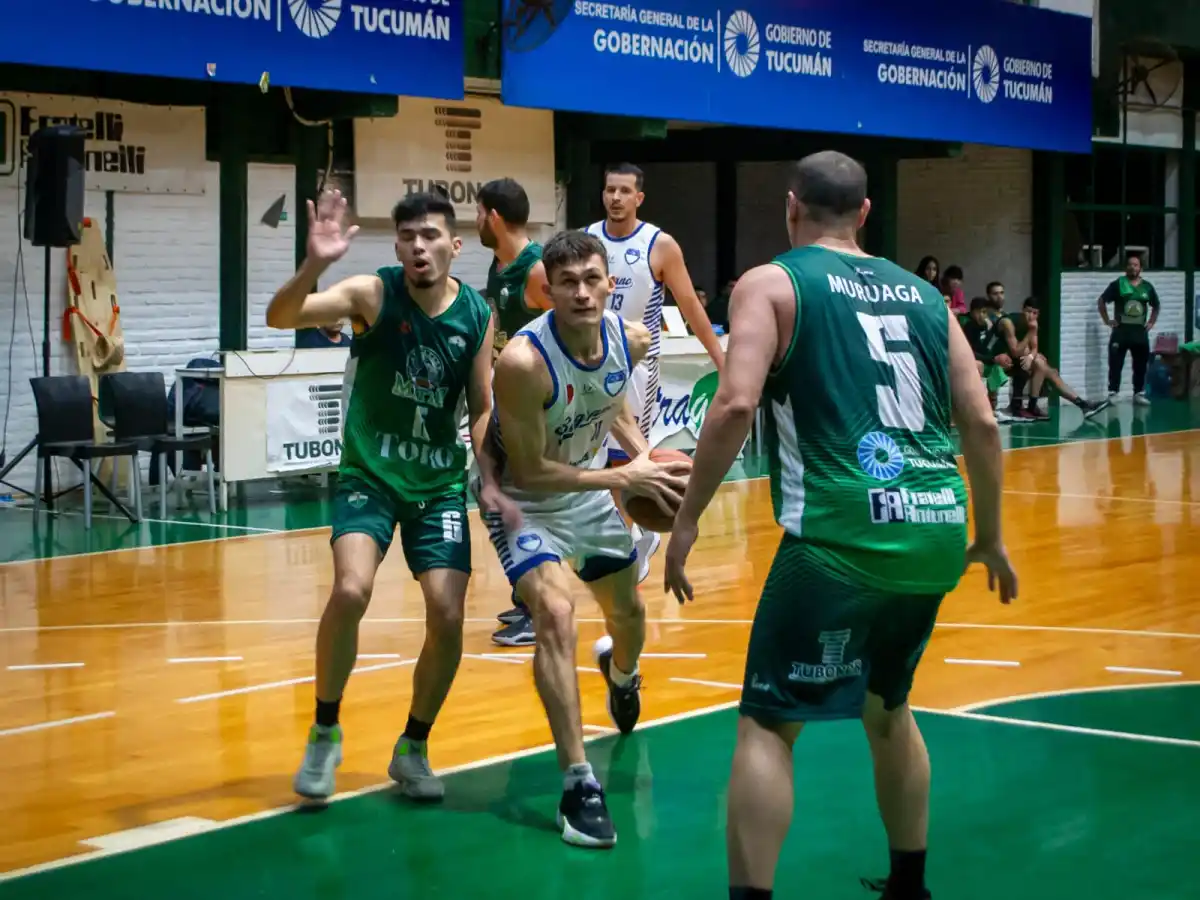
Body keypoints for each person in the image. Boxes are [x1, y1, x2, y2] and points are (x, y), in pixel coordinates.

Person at [662, 151, 1019, 900]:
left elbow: (733, 404)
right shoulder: (925, 294)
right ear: (864, 215)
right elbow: (982, 421)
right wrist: (987, 533)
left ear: (791, 207)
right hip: (934, 528)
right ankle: (909, 886)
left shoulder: (771, 281)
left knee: (766, 724)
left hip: (837, 536)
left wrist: (689, 516)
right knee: (888, 710)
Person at [266, 189, 501, 803]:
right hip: (369, 474)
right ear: (396, 245)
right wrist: (315, 263)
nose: (418, 247)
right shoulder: (373, 293)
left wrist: (493, 477)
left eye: (429, 236)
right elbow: (279, 316)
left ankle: (413, 747)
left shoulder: (476, 314)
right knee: (351, 589)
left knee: (448, 617)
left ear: (454, 244)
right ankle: (324, 730)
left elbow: (481, 406)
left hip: (439, 486)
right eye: (407, 238)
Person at [481, 229, 691, 848]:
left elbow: (608, 405)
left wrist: (643, 454)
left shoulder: (631, 338)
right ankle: (579, 783)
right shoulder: (522, 363)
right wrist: (624, 474)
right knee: (554, 610)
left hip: (589, 488)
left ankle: (621, 675)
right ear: (547, 289)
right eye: (566, 282)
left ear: (608, 284)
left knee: (628, 615)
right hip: (522, 501)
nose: (580, 292)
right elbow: (527, 470)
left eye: (591, 279)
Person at [584, 162, 724, 582]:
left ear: (639, 197)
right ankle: (630, 537)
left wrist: (721, 359)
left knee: (625, 458)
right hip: (589, 363)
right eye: (610, 189)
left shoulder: (659, 245)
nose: (616, 198)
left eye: (625, 191)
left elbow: (691, 307)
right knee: (595, 460)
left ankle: (625, 545)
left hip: (637, 370)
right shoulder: (587, 240)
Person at [476, 176, 552, 648]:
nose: (476, 221)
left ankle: (538, 608)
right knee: (500, 503)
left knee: (524, 508)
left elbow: (570, 330)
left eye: (479, 213)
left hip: (538, 410)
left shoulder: (535, 270)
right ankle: (526, 597)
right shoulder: (498, 265)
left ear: (494, 217)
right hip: (508, 406)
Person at [993, 297, 1109, 420]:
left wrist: (1031, 356)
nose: (1031, 316)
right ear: (1022, 310)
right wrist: (1031, 333)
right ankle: (1033, 407)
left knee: (1048, 369)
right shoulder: (1008, 323)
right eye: (1028, 311)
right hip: (998, 361)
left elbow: (1034, 348)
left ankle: (1083, 405)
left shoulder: (1033, 323)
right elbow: (1015, 351)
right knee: (1040, 363)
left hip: (1016, 361)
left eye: (1035, 313)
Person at [1098, 251, 1160, 405]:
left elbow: (1156, 306)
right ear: (1126, 267)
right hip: (1121, 333)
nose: (1133, 267)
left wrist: (1151, 322)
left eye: (1136, 265)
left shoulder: (1147, 287)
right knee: (1115, 363)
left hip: (1139, 333)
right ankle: (1113, 392)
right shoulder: (1118, 284)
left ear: (1140, 268)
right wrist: (1107, 320)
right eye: (1130, 265)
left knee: (1140, 364)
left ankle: (1138, 393)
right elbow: (1102, 301)